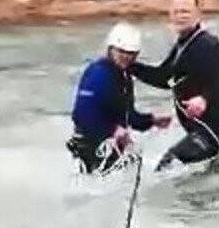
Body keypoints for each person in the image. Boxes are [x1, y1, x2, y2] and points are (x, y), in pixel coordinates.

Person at [131, 0, 219, 171]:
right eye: (177, 12)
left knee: (168, 165)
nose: (181, 16)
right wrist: (129, 66)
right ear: (170, 16)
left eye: (186, 12)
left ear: (198, 15)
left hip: (214, 130)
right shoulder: (183, 44)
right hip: (200, 129)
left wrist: (204, 98)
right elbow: (164, 78)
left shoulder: (207, 45)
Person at [67, 22, 170, 174]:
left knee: (133, 165)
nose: (126, 57)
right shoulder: (98, 74)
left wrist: (151, 120)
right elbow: (82, 114)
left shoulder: (124, 75)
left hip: (111, 143)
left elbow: (127, 115)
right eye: (121, 52)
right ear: (110, 49)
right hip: (91, 144)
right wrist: (113, 129)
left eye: (131, 54)